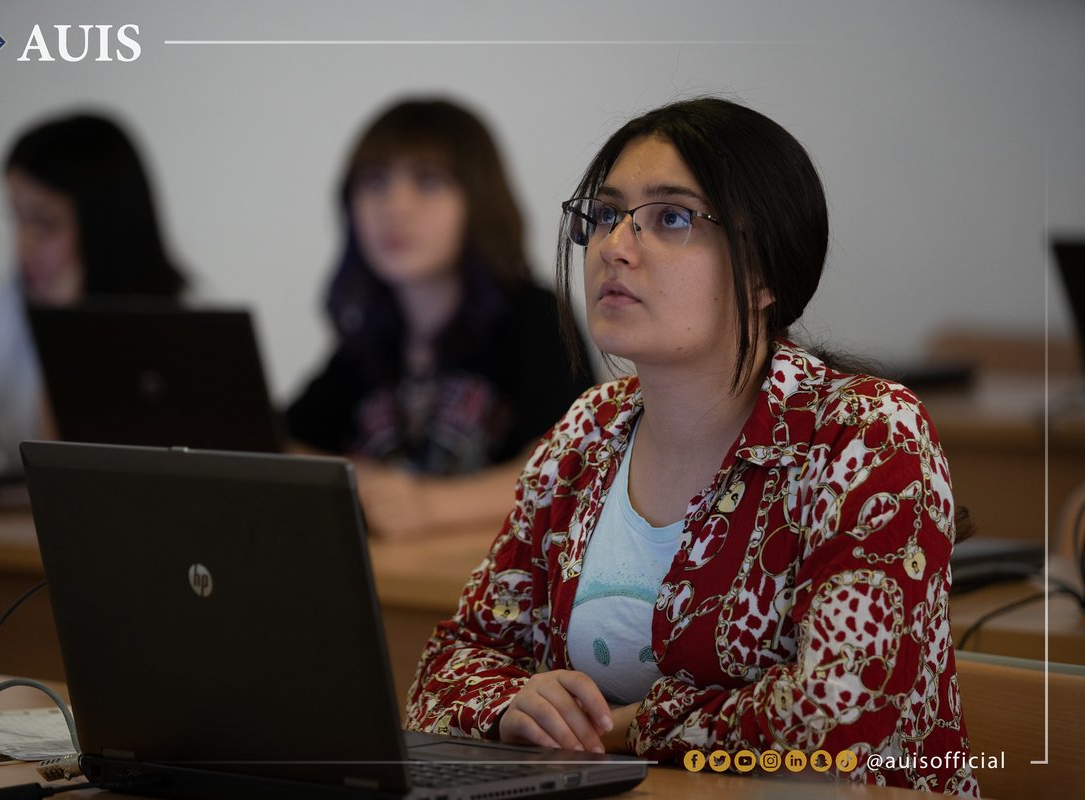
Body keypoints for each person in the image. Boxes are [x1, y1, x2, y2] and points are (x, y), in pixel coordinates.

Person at [405, 97, 979, 796]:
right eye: (606, 213)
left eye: (671, 217)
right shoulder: (588, 430)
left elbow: (837, 723)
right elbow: (451, 664)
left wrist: (622, 725)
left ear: (766, 269)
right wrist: (510, 708)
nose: (615, 245)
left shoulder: (866, 435)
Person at [284, 98, 595, 538]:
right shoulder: (368, 338)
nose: (395, 206)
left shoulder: (533, 316)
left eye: (428, 182)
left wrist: (427, 506)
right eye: (374, 183)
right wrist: (360, 481)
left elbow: (576, 466)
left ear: (479, 201)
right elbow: (277, 446)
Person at [0, 112, 187, 471]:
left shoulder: (184, 322)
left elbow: (63, 473)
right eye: (17, 220)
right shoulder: (15, 299)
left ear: (104, 226)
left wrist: (63, 329)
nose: (22, 248)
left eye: (44, 224)